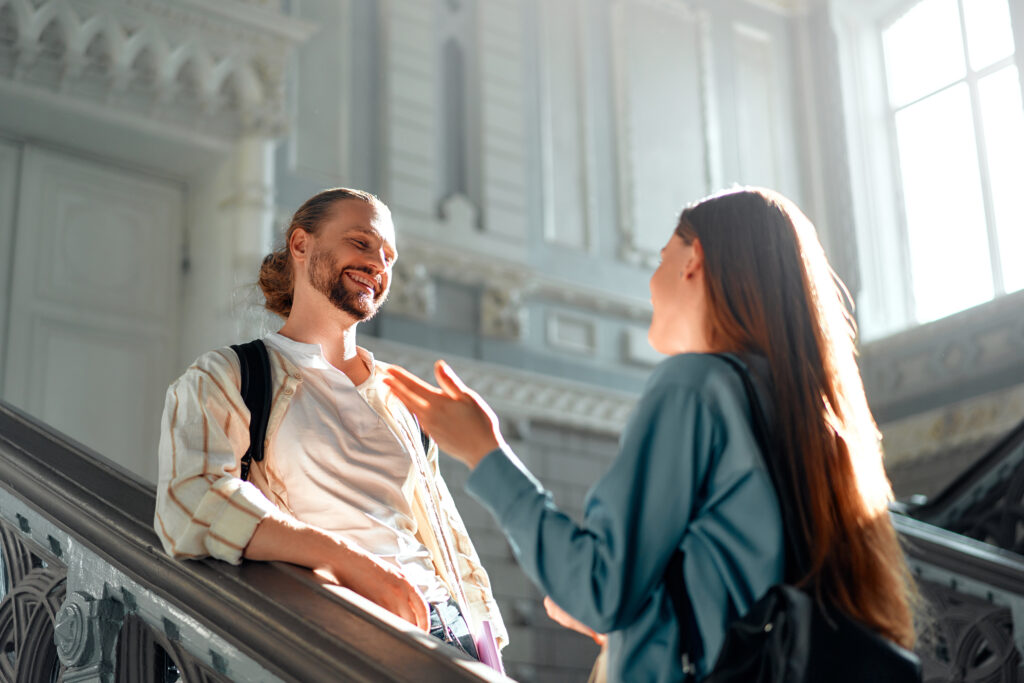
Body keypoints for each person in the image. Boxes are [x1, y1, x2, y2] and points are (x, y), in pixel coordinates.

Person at [383, 187, 917, 681]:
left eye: (662, 256)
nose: (652, 280)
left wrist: (484, 452)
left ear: (694, 259)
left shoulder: (694, 385)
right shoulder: (803, 407)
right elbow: (738, 595)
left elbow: (598, 589)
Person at [153, 188, 506, 661]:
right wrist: (353, 565)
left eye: (389, 255)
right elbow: (191, 499)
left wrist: (489, 655)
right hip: (342, 629)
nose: (378, 262)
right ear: (301, 245)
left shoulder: (399, 402)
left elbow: (450, 546)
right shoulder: (228, 376)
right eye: (361, 242)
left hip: (449, 633)